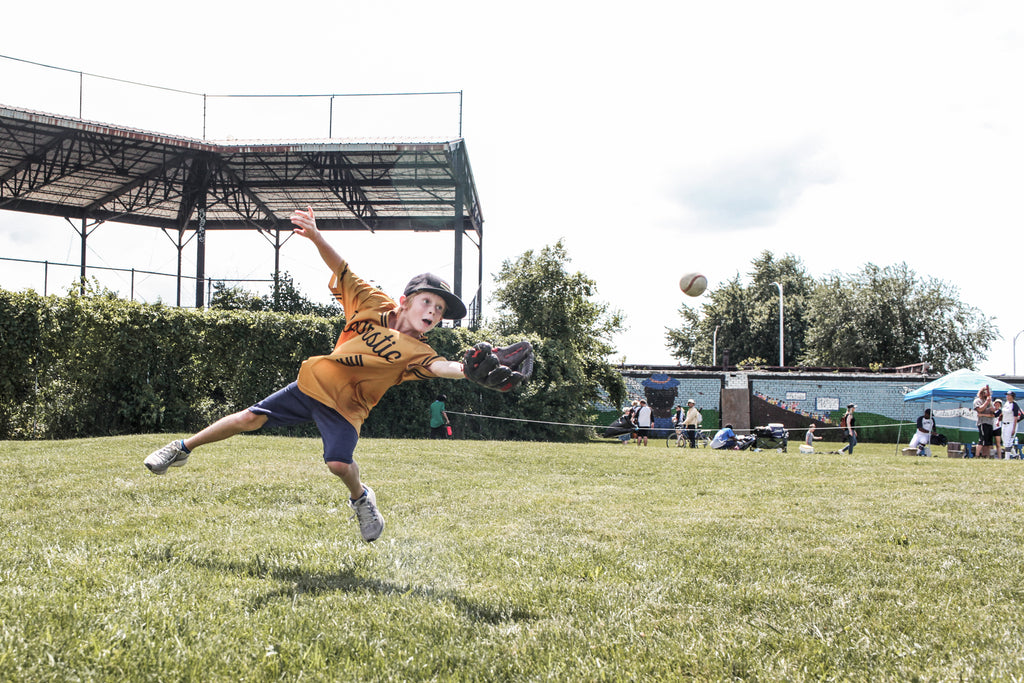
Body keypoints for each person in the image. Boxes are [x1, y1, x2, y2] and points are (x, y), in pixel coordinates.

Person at [143, 206, 494, 543]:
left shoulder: (420, 350)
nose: (433, 311)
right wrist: (314, 236)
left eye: (440, 309)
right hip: (314, 383)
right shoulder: (371, 301)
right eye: (428, 302)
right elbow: (341, 267)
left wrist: (467, 371)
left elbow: (440, 366)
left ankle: (361, 499)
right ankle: (181, 448)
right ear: (404, 300)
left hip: (346, 408)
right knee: (249, 418)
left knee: (339, 464)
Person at [973, 385, 994, 459]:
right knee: (982, 440)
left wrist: (991, 404)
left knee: (988, 441)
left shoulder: (990, 401)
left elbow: (993, 412)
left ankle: (986, 455)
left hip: (990, 422)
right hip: (982, 422)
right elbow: (980, 410)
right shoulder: (977, 401)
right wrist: (986, 403)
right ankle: (977, 455)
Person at [1001, 391, 1022, 458]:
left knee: (1008, 441)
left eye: (1009, 395)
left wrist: (1014, 428)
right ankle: (1015, 455)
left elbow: (1016, 417)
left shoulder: (1014, 405)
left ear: (1012, 396)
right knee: (1004, 440)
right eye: (1007, 395)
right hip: (1004, 423)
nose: (1007, 397)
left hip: (1011, 424)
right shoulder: (1006, 404)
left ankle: (1007, 458)